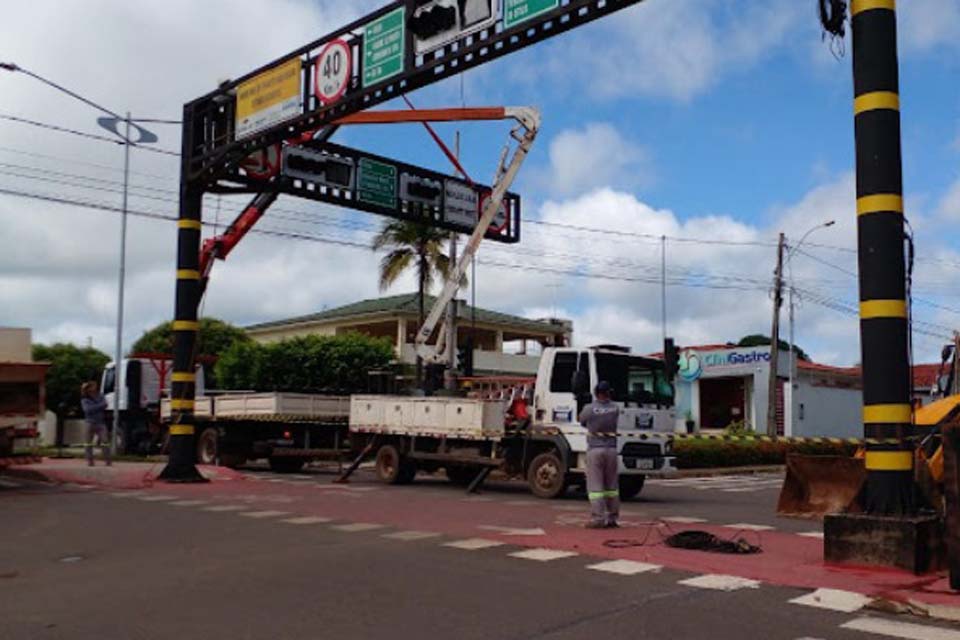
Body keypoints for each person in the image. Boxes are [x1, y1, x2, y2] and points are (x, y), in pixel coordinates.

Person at [579, 381, 620, 528]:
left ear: (596, 393)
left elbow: (582, 421)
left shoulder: (589, 409)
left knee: (596, 487)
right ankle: (612, 518)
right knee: (612, 487)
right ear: (608, 392)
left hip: (595, 449)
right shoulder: (615, 408)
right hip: (611, 449)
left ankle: (598, 519)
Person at [80, 381, 111, 467]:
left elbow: (105, 404)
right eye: (92, 386)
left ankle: (108, 460)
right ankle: (90, 461)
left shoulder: (100, 396)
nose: (95, 388)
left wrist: (96, 407)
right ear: (88, 388)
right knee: (88, 442)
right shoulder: (85, 399)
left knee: (105, 441)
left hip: (100, 422)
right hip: (89, 422)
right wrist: (99, 406)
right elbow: (87, 410)